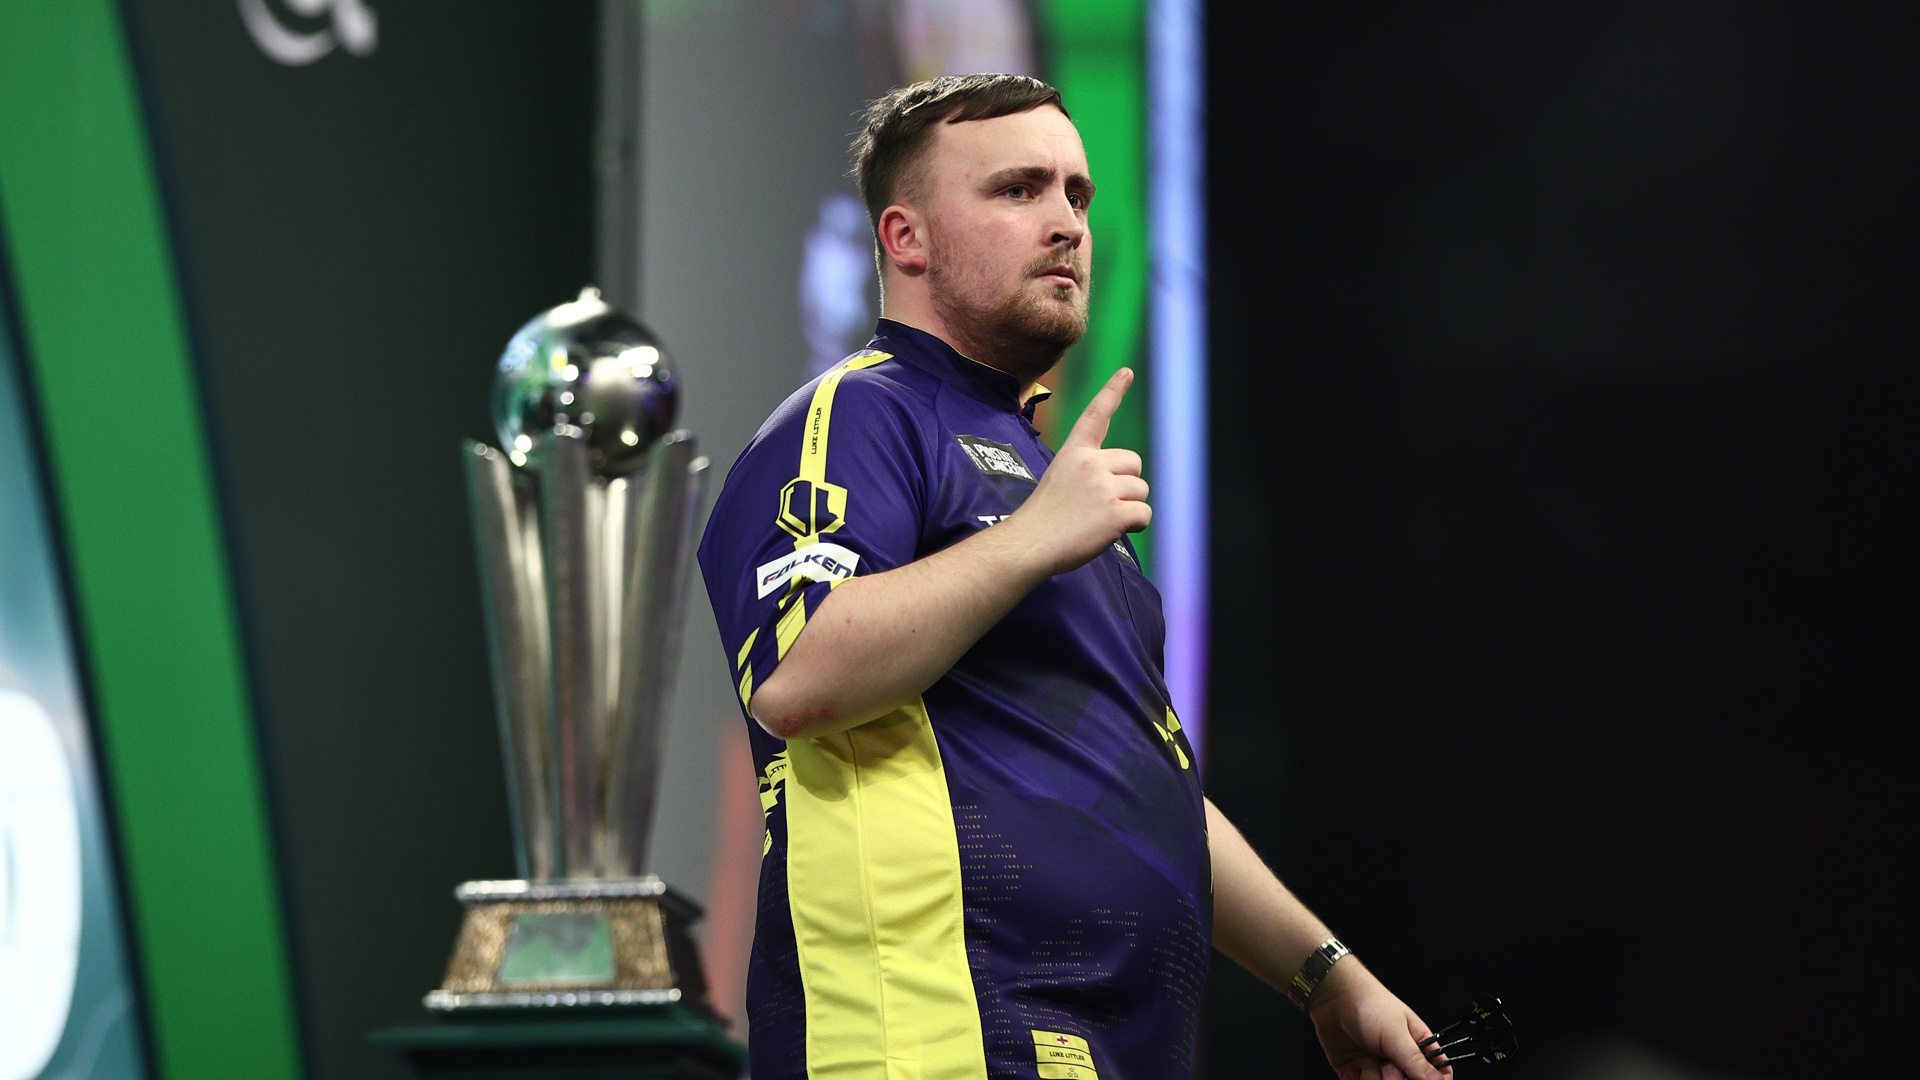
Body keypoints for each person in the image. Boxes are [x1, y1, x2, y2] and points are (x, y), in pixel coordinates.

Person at [697, 73, 1451, 1080]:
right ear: (905, 238)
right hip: (944, 1041)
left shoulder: (1052, 493)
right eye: (1018, 190)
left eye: (1078, 195)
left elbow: (1151, 783)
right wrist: (1032, 538)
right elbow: (798, 671)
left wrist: (1329, 976)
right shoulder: (862, 416)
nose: (1065, 225)